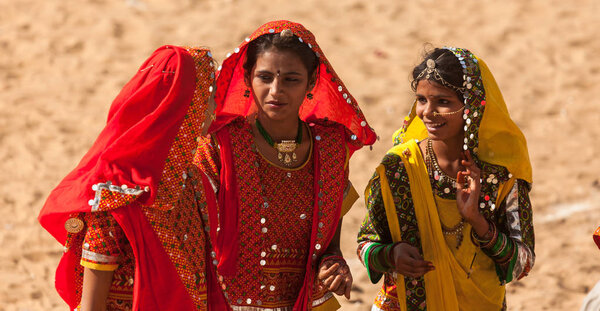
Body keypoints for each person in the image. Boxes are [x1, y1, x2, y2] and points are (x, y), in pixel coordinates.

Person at [196, 20, 376, 310]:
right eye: (265, 77)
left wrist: (335, 266)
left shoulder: (330, 149)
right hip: (229, 303)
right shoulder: (220, 145)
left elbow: (329, 244)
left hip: (303, 302)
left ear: (313, 80)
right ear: (247, 76)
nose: (276, 90)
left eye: (291, 79)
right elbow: (196, 233)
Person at [38, 46, 222, 310]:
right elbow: (92, 305)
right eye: (209, 98)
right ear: (185, 107)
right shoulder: (116, 201)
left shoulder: (194, 181)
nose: (214, 109)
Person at [357, 47, 535, 310]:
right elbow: (365, 242)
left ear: (471, 105)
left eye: (443, 101)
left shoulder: (499, 177)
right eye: (421, 100)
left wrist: (477, 220)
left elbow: (522, 263)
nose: (427, 112)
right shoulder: (399, 168)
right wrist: (390, 255)